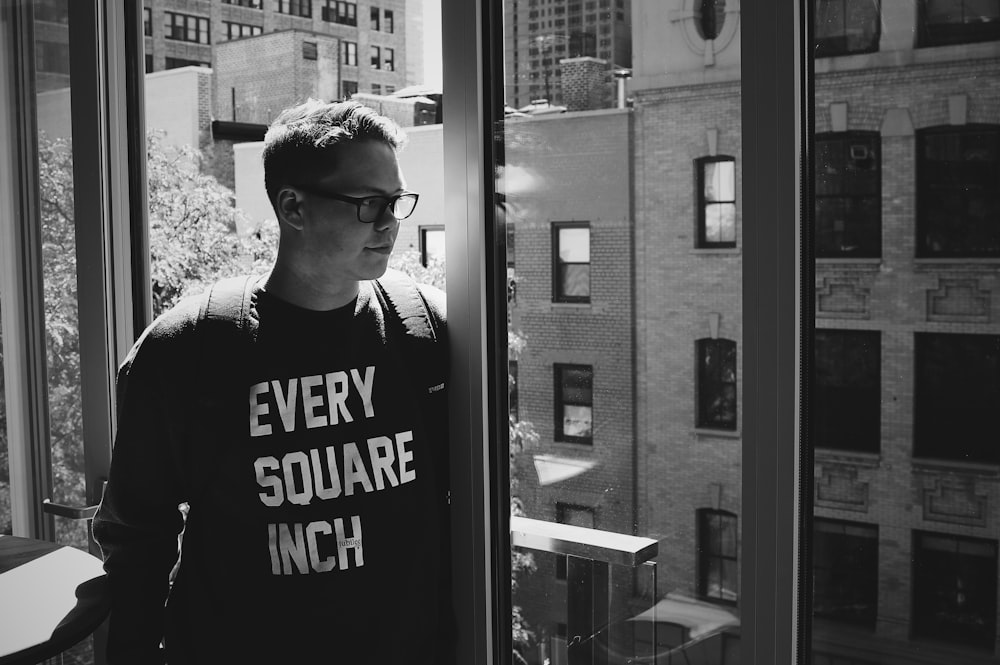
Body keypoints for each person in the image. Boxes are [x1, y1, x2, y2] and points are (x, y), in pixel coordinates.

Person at [93, 100, 451, 664]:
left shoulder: (427, 328)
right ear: (293, 207)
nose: (390, 223)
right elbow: (137, 535)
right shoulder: (188, 349)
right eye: (367, 203)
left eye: (396, 202)